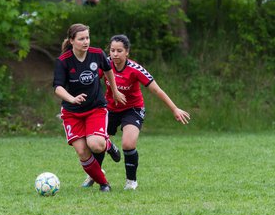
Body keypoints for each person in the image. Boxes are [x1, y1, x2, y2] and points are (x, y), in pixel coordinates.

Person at [82, 34, 191, 190]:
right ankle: (94, 174)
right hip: (109, 109)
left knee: (128, 143)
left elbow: (157, 90)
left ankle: (131, 181)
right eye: (112, 50)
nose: (115, 54)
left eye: (119, 50)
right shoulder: (105, 65)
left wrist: (174, 108)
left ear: (127, 52)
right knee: (97, 142)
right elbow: (89, 84)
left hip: (132, 109)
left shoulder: (135, 69)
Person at [53, 24, 126, 192]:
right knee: (83, 152)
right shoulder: (63, 61)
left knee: (96, 144)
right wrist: (72, 98)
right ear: (72, 41)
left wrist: (114, 91)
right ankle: (104, 184)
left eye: (87, 38)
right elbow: (57, 87)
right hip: (72, 113)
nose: (85, 42)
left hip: (95, 108)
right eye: (81, 39)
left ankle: (107, 145)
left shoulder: (97, 54)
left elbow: (108, 70)